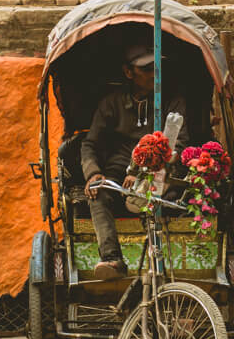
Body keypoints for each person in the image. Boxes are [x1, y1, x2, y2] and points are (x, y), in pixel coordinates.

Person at [81, 44, 190, 279]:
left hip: (161, 174)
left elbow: (178, 145)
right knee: (98, 193)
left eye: (157, 68)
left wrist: (145, 172)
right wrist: (93, 173)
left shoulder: (173, 101)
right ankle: (112, 259)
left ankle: (167, 277)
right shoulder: (111, 103)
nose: (154, 74)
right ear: (129, 72)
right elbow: (90, 144)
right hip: (118, 172)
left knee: (164, 197)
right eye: (147, 69)